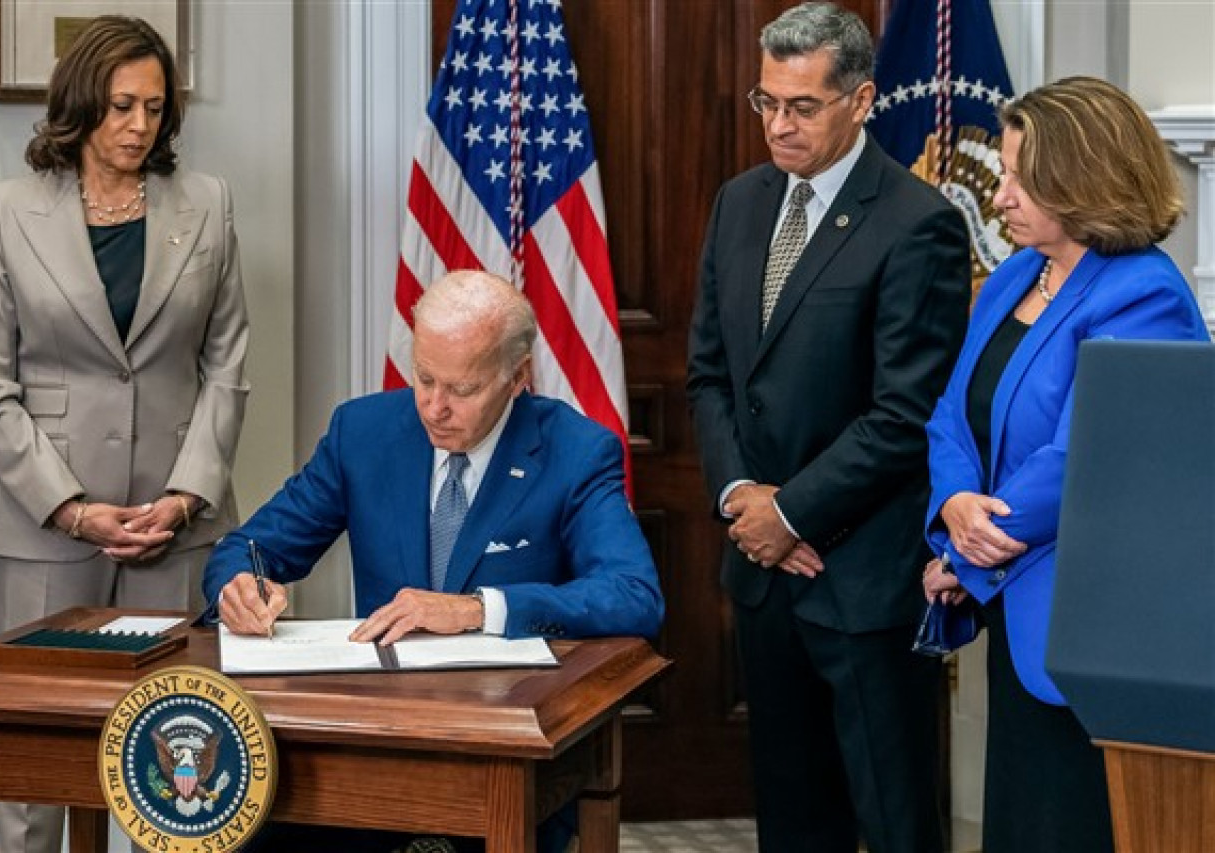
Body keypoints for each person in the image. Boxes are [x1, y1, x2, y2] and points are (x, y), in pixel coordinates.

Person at [207, 269, 663, 853]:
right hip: (372, 747)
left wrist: (478, 610)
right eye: (424, 377)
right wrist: (238, 586)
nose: (434, 406)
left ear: (517, 377)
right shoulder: (363, 432)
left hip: (507, 754)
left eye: (462, 389)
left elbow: (633, 595)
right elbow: (249, 547)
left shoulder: (575, 451)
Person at [0, 15, 249, 853]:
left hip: (175, 522)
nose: (139, 126)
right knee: (35, 771)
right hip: (42, 527)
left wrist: (187, 494)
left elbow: (228, 364)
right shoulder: (7, 211)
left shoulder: (208, 204)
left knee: (183, 764)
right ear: (81, 105)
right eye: (122, 106)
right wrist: (71, 507)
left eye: (155, 108)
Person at [686, 3, 972, 851]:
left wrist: (793, 512)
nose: (779, 124)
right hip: (764, 574)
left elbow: (904, 413)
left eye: (802, 106)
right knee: (793, 820)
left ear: (861, 100)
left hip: (864, 580)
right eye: (766, 102)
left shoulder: (919, 221)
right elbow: (711, 375)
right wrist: (744, 501)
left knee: (894, 821)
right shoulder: (739, 203)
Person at [921, 76, 1210, 853]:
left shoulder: (1145, 294)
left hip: (1088, 628)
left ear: (1083, 179)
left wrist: (969, 549)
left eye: (1022, 177)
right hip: (1014, 605)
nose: (1000, 196)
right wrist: (953, 504)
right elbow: (952, 412)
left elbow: (1084, 455)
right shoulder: (1017, 274)